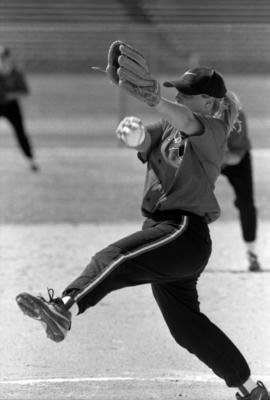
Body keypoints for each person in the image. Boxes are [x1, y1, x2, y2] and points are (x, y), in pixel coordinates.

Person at [16, 66, 269, 400]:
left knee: (114, 257)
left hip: (182, 231)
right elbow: (146, 137)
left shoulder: (214, 128)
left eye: (185, 93)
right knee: (186, 329)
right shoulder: (169, 126)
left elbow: (185, 120)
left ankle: (64, 307)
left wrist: (156, 100)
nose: (177, 96)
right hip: (167, 236)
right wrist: (133, 134)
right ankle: (251, 389)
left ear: (208, 102)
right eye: (176, 91)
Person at [221, 108, 261, 271]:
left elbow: (236, 156)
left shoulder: (234, 114)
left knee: (246, 203)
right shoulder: (189, 111)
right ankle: (178, 247)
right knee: (187, 195)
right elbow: (179, 145)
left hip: (233, 157)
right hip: (205, 156)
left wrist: (213, 156)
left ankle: (251, 253)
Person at [0, 46, 39, 172]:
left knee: (20, 132)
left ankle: (31, 160)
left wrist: (10, 95)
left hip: (11, 106)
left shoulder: (16, 74)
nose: (2, 59)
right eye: (1, 57)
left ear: (9, 57)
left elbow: (25, 91)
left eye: (4, 56)